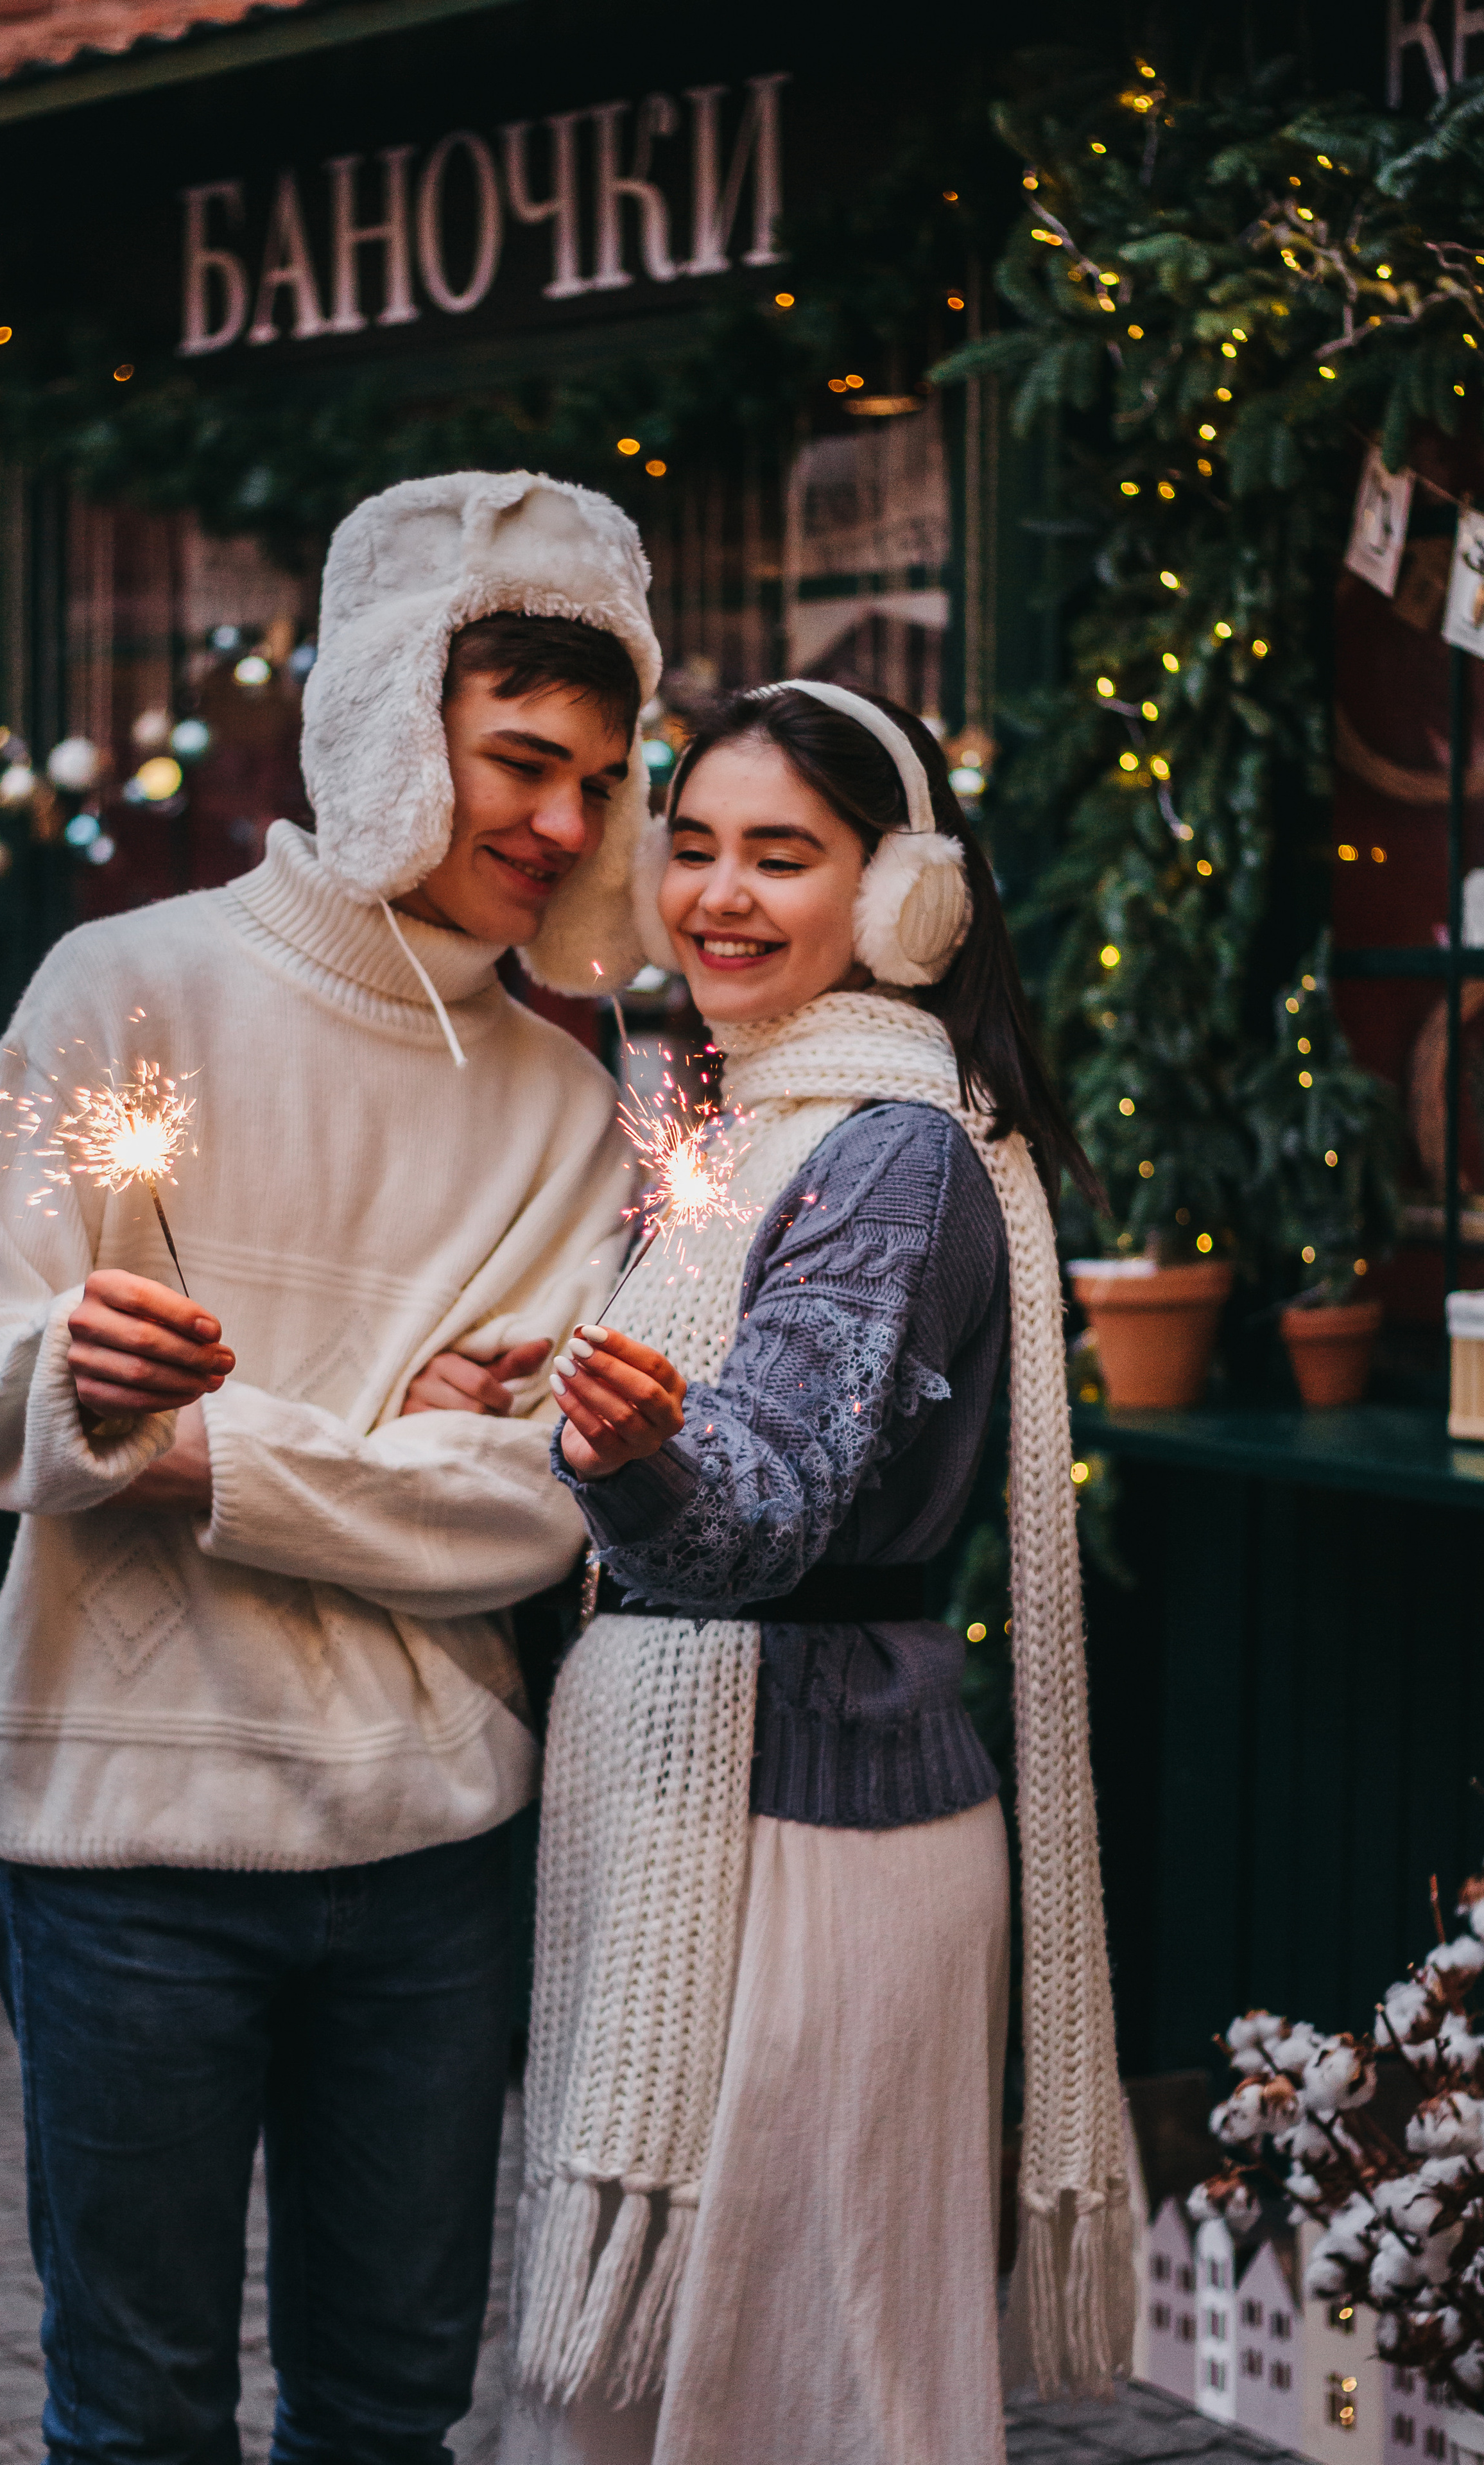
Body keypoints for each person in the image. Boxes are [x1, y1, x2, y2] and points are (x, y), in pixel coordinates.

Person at [0, 471, 665, 2465]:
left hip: (432, 1864)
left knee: (392, 2414)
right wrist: (77, 1381)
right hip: (122, 1847)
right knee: (137, 2415)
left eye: (601, 779)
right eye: (520, 761)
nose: (565, 826)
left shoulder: (573, 1112)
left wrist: (193, 1450)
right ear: (388, 721)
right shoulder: (124, 987)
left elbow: (534, 1501)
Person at [503, 682, 1136, 2465]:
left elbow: (761, 1508)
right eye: (691, 845)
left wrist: (634, 1454)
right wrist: (560, 1385)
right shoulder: (759, 1126)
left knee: (797, 2381)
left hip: (818, 1832)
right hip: (733, 1799)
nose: (718, 893)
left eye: (783, 855)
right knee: (722, 2376)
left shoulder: (890, 1152)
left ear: (901, 894)